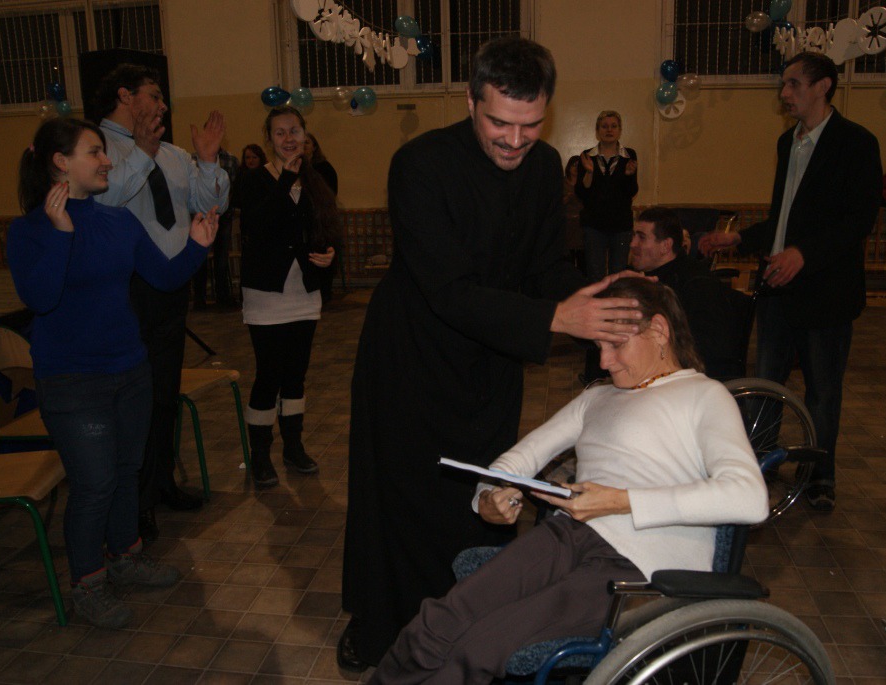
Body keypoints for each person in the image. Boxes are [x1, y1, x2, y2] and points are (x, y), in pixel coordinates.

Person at [340, 36, 644, 671]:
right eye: (500, 123)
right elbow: (447, 290)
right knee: (402, 502)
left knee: (483, 495)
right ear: (471, 100)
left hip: (489, 363)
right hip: (412, 357)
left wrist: (598, 300)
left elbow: (544, 267)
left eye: (530, 125)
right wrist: (555, 317)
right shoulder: (419, 164)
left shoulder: (544, 167)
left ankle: (462, 627)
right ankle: (381, 624)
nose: (515, 140)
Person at [370, 278, 769, 683]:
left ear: (659, 330)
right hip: (567, 534)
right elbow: (521, 458)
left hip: (642, 564)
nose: (604, 362)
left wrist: (621, 501)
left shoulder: (704, 395)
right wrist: (488, 494)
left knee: (480, 646)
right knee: (437, 621)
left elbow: (750, 498)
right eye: (599, 347)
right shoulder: (596, 398)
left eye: (616, 345)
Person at [7, 118, 218, 628]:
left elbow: (163, 276)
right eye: (95, 152)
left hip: (130, 370)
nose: (107, 161)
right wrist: (62, 234)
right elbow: (40, 298)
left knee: (126, 471)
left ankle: (126, 556)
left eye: (104, 152)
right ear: (61, 163)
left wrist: (197, 245)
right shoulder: (29, 230)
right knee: (95, 484)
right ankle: (87, 583)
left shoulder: (118, 221)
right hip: (72, 382)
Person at [700, 51, 882, 512]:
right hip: (778, 287)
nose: (784, 94)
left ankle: (819, 475)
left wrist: (804, 254)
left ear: (823, 87)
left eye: (794, 84)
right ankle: (762, 463)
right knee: (767, 383)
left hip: (825, 292)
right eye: (784, 85)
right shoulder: (789, 143)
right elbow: (785, 219)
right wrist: (738, 238)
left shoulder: (856, 142)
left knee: (822, 390)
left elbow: (858, 220)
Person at [92, 63, 230, 542]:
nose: (163, 105)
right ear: (125, 96)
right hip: (126, 291)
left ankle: (161, 483)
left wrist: (208, 162)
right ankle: (134, 502)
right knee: (133, 404)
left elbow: (212, 204)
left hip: (173, 281)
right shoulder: (96, 149)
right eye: (153, 94)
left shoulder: (172, 154)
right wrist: (141, 154)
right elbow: (104, 202)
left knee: (164, 395)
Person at [233, 106, 339, 485]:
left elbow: (326, 227)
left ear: (304, 134)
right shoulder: (253, 179)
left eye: (294, 130)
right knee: (269, 375)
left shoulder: (315, 179)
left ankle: (293, 447)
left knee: (296, 375)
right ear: (269, 139)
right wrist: (286, 181)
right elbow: (258, 226)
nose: (289, 138)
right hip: (266, 294)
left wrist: (329, 254)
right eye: (280, 132)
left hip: (303, 293)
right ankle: (260, 455)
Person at [631, 206, 751, 379]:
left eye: (641, 237)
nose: (632, 244)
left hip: (697, 378)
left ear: (665, 246)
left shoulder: (696, 284)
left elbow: (708, 349)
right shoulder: (649, 278)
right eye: (634, 236)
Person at [575, 110, 638, 282]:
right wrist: (589, 172)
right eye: (604, 126)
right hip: (594, 225)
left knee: (619, 275)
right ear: (597, 131)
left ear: (619, 130)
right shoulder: (587, 156)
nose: (609, 130)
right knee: (595, 275)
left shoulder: (629, 155)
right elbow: (581, 192)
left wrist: (628, 175)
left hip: (621, 225)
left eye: (613, 126)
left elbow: (632, 191)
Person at [191, 146, 240, 310]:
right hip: (200, 215)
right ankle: (199, 299)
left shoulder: (231, 159)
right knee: (199, 258)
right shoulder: (192, 159)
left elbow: (234, 187)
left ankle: (223, 298)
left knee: (221, 259)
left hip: (223, 215)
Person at [304, 132, 340, 303]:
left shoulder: (324, 168)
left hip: (321, 219)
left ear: (314, 147)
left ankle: (324, 293)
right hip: (305, 221)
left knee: (323, 254)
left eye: (307, 143)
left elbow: (330, 196)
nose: (303, 146)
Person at [563, 155, 584, 272]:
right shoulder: (562, 182)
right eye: (574, 165)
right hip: (566, 225)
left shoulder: (585, 183)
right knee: (568, 262)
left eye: (579, 165)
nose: (576, 168)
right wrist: (567, 197)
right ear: (568, 166)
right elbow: (555, 203)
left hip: (582, 226)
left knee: (582, 262)